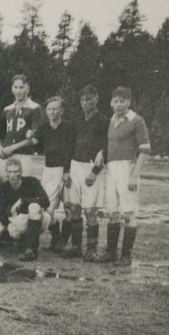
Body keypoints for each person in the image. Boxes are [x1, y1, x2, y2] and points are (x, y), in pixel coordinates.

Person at [98, 87, 151, 266]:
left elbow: (144, 151)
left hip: (127, 168)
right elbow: (108, 144)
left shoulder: (137, 120)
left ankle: (126, 256)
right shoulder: (112, 120)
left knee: (128, 213)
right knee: (112, 211)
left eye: (122, 101)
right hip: (111, 169)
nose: (118, 105)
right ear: (111, 102)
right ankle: (111, 253)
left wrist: (134, 175)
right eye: (115, 101)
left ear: (129, 102)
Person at [63, 85, 109, 260]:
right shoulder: (76, 121)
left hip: (91, 169)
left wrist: (95, 171)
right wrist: (66, 171)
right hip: (75, 166)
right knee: (73, 207)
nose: (85, 103)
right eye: (82, 100)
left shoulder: (104, 121)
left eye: (89, 99)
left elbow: (106, 148)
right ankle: (76, 246)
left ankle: (91, 249)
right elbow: (69, 147)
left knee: (90, 210)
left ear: (96, 99)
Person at [0, 156, 50, 261]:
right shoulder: (4, 187)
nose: (13, 175)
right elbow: (0, 211)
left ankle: (31, 249)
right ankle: (15, 241)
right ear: (6, 173)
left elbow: (46, 201)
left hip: (34, 217)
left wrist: (24, 200)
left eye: (16, 171)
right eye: (10, 172)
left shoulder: (32, 181)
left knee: (34, 206)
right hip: (16, 220)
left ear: (21, 171)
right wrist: (9, 225)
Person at [31, 96, 75, 252]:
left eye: (55, 108)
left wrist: (67, 171)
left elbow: (70, 150)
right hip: (49, 170)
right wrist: (30, 135)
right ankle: (55, 236)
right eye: (49, 109)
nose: (52, 112)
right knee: (47, 208)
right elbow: (36, 144)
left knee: (69, 207)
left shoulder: (69, 127)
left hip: (67, 170)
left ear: (62, 110)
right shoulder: (43, 128)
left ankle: (64, 240)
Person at [0, 74, 43, 176]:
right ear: (12, 88)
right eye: (15, 87)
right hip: (5, 155)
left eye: (22, 87)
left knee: (22, 187)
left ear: (28, 88)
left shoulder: (35, 108)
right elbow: (0, 134)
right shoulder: (7, 109)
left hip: (24, 155)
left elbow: (35, 138)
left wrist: (12, 148)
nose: (18, 91)